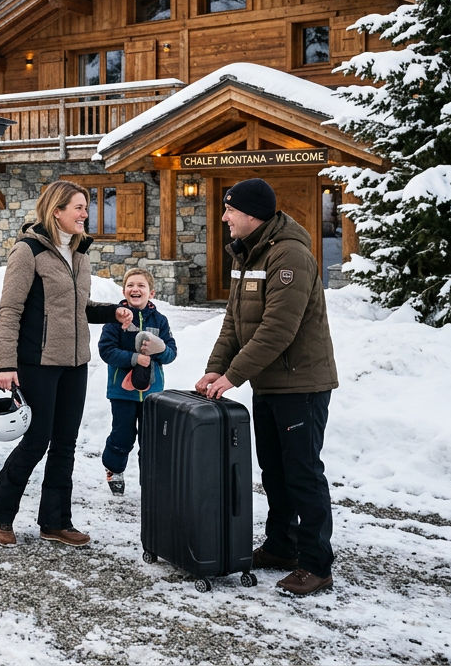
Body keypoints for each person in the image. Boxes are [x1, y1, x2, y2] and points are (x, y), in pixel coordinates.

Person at [194, 178, 338, 597]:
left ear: (252, 214)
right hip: (271, 384)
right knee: (274, 471)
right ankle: (282, 547)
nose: (224, 217)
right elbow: (234, 323)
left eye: (229, 210)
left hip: (301, 384)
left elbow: (278, 330)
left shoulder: (290, 254)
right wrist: (214, 369)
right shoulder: (248, 253)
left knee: (302, 474)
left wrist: (233, 376)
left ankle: (316, 564)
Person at [0, 180, 132, 548]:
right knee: (37, 441)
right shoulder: (28, 251)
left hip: (75, 362)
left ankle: (55, 521)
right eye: (79, 207)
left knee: (65, 443)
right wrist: (6, 364)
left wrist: (112, 312)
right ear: (57, 212)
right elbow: (10, 311)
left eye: (86, 207)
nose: (86, 214)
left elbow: (78, 308)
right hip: (37, 361)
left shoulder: (79, 254)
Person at [98, 266, 177, 495]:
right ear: (124, 291)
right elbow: (106, 350)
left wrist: (160, 349)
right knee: (123, 435)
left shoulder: (160, 320)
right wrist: (134, 358)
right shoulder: (115, 319)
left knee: (150, 439)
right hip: (122, 392)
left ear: (151, 292)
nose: (135, 289)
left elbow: (171, 353)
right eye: (130, 285)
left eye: (141, 285)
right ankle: (114, 468)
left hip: (153, 392)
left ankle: (150, 481)